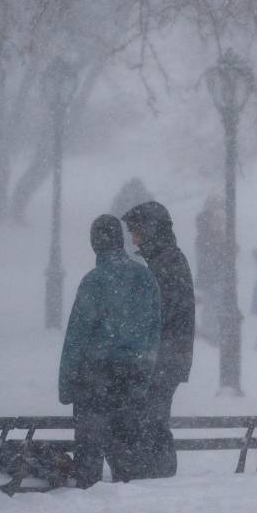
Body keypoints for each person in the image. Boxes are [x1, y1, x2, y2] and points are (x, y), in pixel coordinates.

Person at [58, 215, 162, 487]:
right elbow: (154, 333)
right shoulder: (145, 278)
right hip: (133, 376)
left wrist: (66, 382)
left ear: (95, 243)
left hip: (93, 378)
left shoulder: (94, 281)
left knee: (89, 457)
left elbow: (76, 338)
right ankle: (125, 504)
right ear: (120, 240)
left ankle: (89, 510)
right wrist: (144, 373)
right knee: (126, 456)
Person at [121, 201, 195, 479]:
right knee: (152, 417)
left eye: (136, 230)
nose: (133, 237)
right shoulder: (165, 258)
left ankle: (158, 474)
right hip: (166, 357)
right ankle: (154, 471)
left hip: (164, 358)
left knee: (152, 418)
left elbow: (162, 314)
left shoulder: (167, 262)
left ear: (150, 230)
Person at [194, 196, 230, 343]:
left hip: (214, 276)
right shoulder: (207, 235)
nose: (220, 223)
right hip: (214, 276)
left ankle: (213, 332)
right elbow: (210, 258)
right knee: (213, 304)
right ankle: (213, 334)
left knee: (214, 303)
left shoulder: (208, 234)